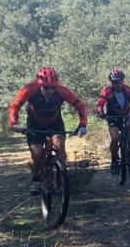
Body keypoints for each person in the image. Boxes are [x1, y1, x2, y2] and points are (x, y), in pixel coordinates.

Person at [8, 66, 88, 194]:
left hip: (55, 122)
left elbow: (80, 106)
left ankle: (60, 180)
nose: (49, 91)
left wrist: (83, 125)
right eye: (46, 88)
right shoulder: (29, 89)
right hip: (35, 123)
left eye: (52, 87)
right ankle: (36, 180)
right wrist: (14, 123)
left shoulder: (62, 91)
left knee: (60, 146)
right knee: (37, 153)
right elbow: (15, 106)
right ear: (39, 85)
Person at [95, 67, 130, 171]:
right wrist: (101, 112)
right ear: (111, 82)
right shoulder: (107, 90)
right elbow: (100, 104)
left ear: (123, 80)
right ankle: (114, 160)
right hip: (113, 116)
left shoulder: (128, 89)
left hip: (126, 114)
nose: (118, 84)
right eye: (115, 82)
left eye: (120, 82)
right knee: (115, 138)